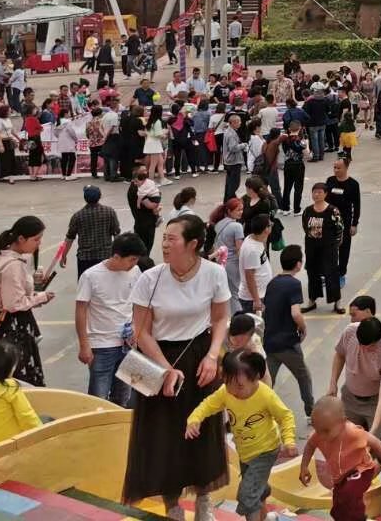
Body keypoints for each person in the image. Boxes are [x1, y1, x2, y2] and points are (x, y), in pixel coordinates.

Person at [121, 214, 232, 518]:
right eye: (164, 237)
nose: (165, 244)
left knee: (203, 429)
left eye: (172, 238)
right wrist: (166, 368)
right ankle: (172, 505)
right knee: (164, 435)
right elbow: (140, 330)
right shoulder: (150, 278)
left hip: (198, 357)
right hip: (159, 358)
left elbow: (221, 318)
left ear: (193, 243)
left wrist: (212, 356)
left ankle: (203, 500)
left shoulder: (213, 273)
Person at [187, 349, 298, 521]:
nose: (233, 391)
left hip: (266, 451)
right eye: (228, 383)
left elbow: (285, 416)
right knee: (254, 490)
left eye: (239, 385)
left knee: (247, 495)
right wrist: (194, 420)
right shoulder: (226, 392)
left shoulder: (265, 395)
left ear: (256, 378)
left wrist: (289, 441)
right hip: (245, 453)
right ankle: (264, 497)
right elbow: (208, 404)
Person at [298, 395, 381, 521]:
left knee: (349, 492)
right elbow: (309, 446)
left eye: (326, 431)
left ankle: (359, 518)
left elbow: (376, 443)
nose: (321, 436)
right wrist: (304, 466)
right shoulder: (319, 434)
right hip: (341, 476)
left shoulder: (352, 432)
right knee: (338, 503)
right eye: (317, 430)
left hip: (361, 469)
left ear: (343, 422)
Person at [75, 232, 147, 405]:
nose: (134, 264)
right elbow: (80, 311)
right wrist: (84, 345)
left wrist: (137, 331)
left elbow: (138, 304)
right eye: (131, 259)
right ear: (116, 256)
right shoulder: (91, 276)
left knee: (123, 395)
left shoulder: (135, 271)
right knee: (98, 397)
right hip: (101, 346)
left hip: (128, 344)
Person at [0, 216, 54, 386]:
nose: (38, 244)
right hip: (14, 325)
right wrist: (41, 297)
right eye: (36, 239)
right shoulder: (12, 265)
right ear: (21, 239)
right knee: (21, 377)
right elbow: (13, 304)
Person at [329, 315, 381, 439]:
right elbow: (340, 354)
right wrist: (333, 382)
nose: (363, 348)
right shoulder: (350, 332)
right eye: (361, 344)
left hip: (375, 401)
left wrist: (374, 428)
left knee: (374, 445)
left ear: (378, 340)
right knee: (348, 439)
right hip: (350, 398)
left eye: (369, 346)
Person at [264, 245, 314, 415]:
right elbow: (295, 313)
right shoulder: (294, 284)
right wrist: (303, 327)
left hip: (269, 341)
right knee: (304, 377)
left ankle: (261, 410)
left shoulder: (272, 283)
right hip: (287, 343)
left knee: (267, 381)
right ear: (298, 265)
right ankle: (311, 410)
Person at [0, 338, 42, 446]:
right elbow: (27, 418)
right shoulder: (9, 387)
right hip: (11, 447)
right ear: (9, 369)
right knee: (46, 419)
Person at [302, 183, 346, 313]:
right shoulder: (308, 210)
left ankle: (337, 302)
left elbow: (340, 228)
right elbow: (305, 226)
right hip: (311, 246)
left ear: (325, 194)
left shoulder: (333, 210)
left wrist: (335, 243)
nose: (316, 195)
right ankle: (312, 300)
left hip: (329, 247)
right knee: (312, 272)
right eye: (314, 192)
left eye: (319, 192)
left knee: (331, 272)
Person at [63, 183, 122, 276]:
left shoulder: (78, 216)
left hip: (85, 258)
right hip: (105, 256)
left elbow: (69, 238)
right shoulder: (109, 211)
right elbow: (116, 234)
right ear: (100, 196)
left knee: (85, 285)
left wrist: (64, 255)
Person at [326, 157, 362, 289]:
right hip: (330, 221)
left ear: (346, 168)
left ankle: (341, 274)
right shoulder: (330, 181)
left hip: (345, 221)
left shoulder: (353, 184)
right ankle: (329, 273)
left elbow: (357, 205)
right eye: (334, 167)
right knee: (329, 248)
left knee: (344, 248)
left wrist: (354, 224)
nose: (336, 170)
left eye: (338, 168)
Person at [238, 213, 274, 314]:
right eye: (270, 224)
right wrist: (256, 300)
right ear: (265, 229)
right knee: (258, 328)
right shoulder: (252, 250)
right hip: (254, 298)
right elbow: (249, 276)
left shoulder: (253, 238)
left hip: (261, 293)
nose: (272, 225)